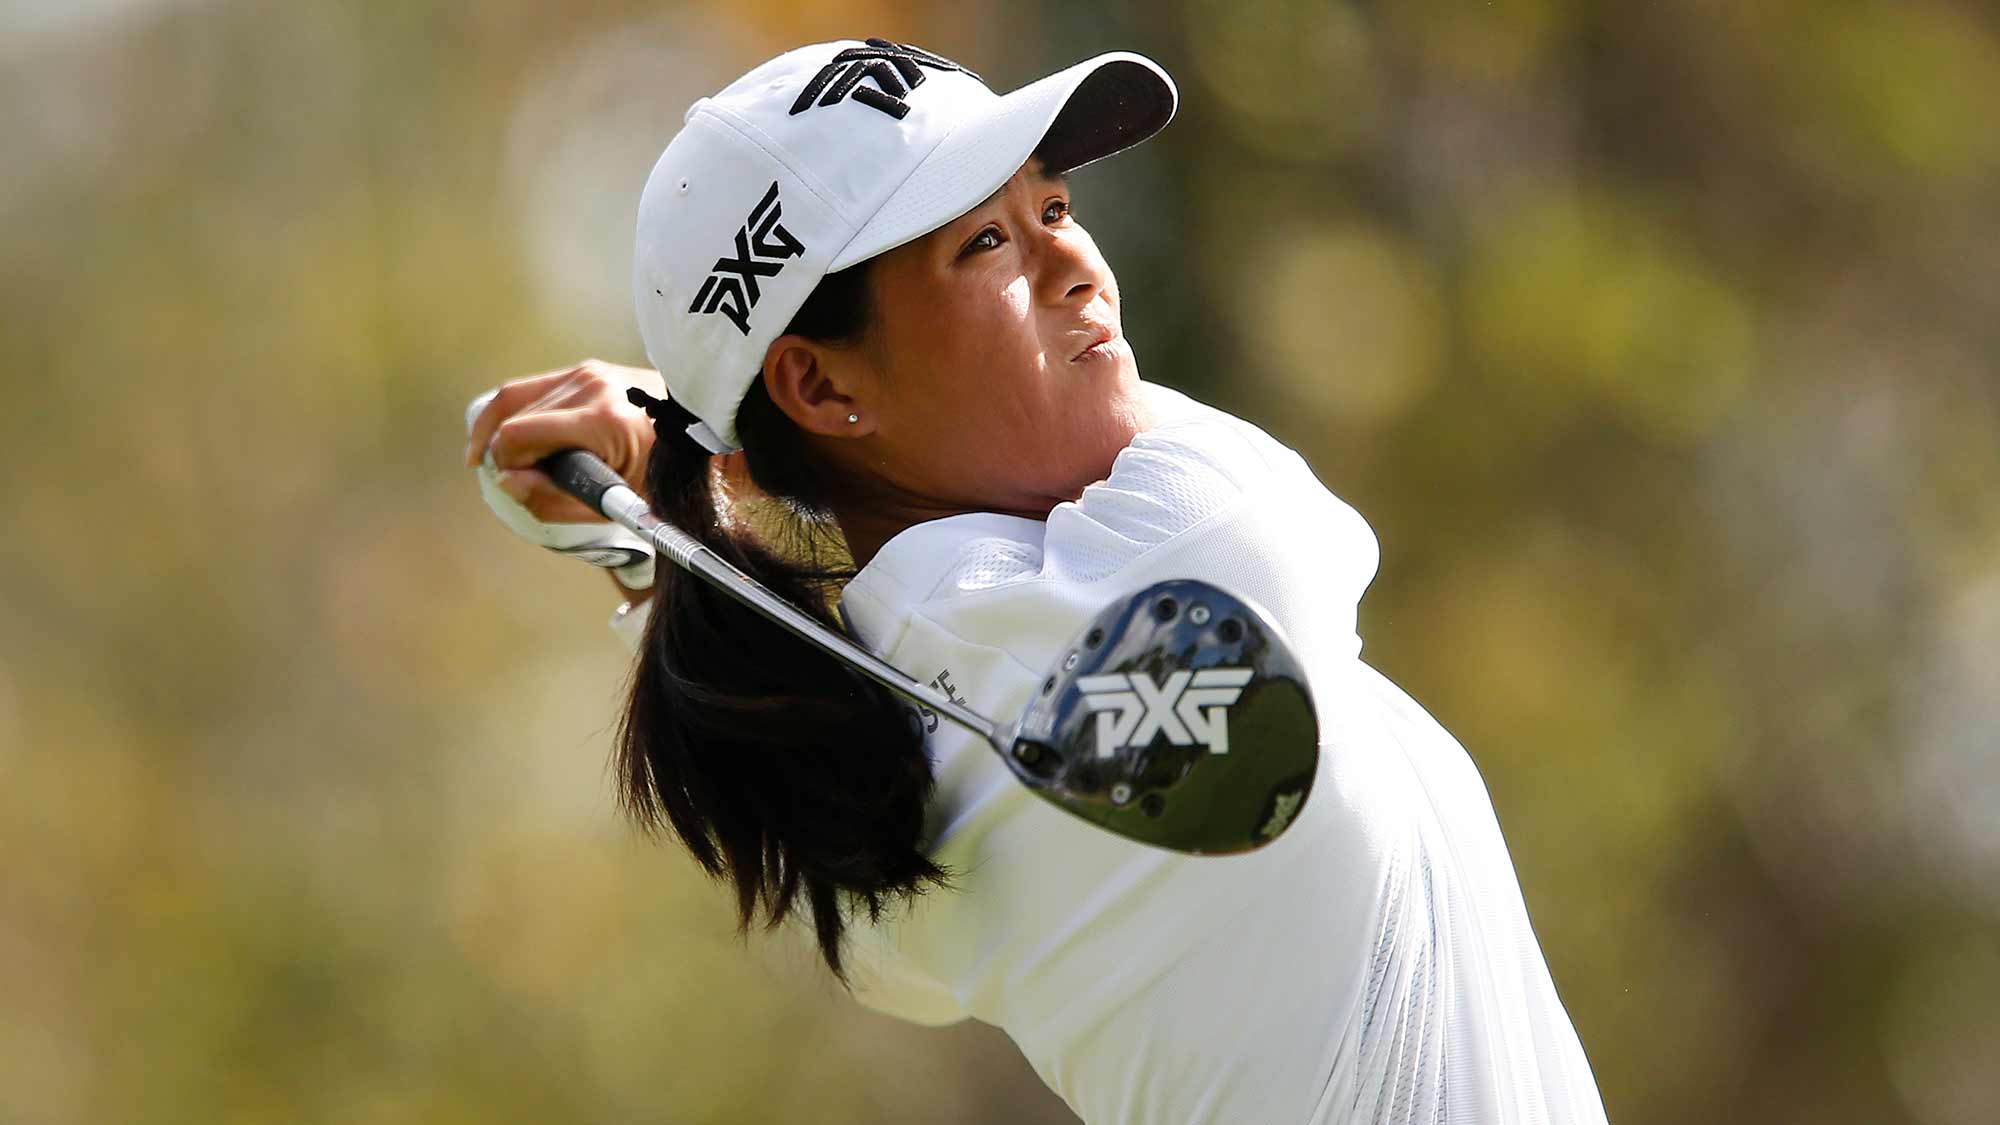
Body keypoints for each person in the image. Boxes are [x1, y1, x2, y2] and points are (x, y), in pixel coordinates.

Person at [464, 38, 1609, 1125]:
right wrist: (689, 461)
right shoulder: (1186, 569)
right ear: (818, 388)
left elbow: (872, 909)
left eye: (1051, 208)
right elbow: (1255, 501)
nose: (1076, 267)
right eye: (986, 246)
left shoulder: (868, 737)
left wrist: (680, 491)